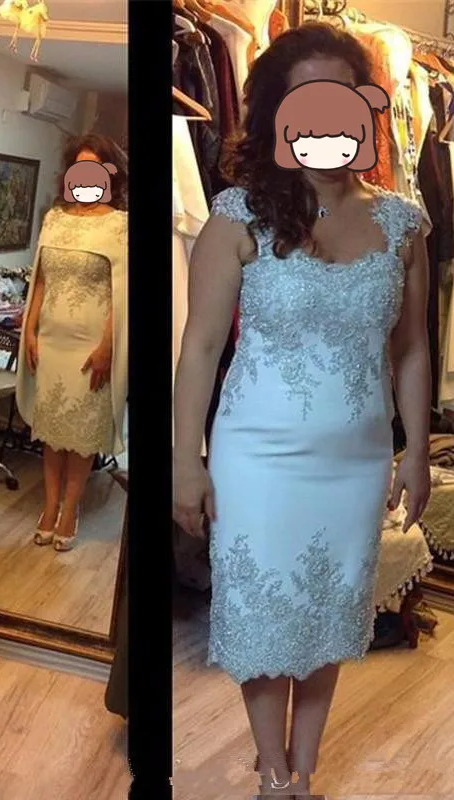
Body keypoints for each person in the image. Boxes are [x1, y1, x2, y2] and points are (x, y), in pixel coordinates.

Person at [173, 23, 431, 797]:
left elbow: (411, 350)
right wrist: (186, 461)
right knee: (261, 609)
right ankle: (273, 768)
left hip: (356, 459)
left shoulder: (402, 223)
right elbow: (199, 347)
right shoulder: (236, 217)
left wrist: (416, 451)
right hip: (257, 456)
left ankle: (304, 767)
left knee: (330, 608)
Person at [16, 133, 128, 551]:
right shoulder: (55, 219)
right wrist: (29, 330)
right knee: (51, 431)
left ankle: (70, 510)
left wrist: (108, 346)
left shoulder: (120, 226)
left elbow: (123, 292)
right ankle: (49, 506)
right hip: (50, 341)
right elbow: (41, 279)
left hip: (90, 345)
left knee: (80, 436)